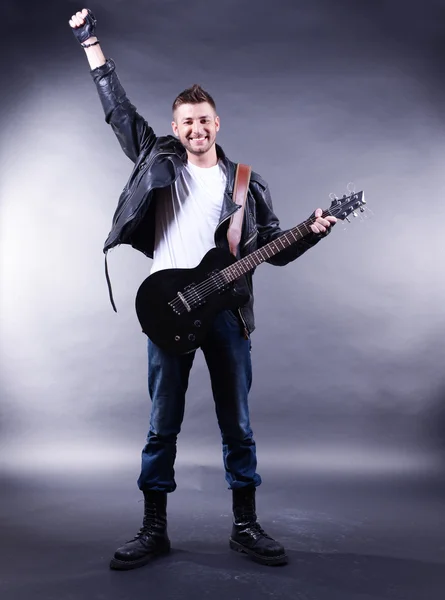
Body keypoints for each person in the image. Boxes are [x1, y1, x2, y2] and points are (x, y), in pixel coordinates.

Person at [69, 8, 337, 571]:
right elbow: (119, 114)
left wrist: (311, 232)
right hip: (167, 309)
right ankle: (152, 529)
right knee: (161, 424)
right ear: (175, 128)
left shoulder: (246, 184)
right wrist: (91, 43)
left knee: (236, 423)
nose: (195, 129)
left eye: (204, 120)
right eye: (186, 121)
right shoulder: (156, 159)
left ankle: (245, 526)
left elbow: (274, 250)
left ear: (219, 124)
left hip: (227, 317)